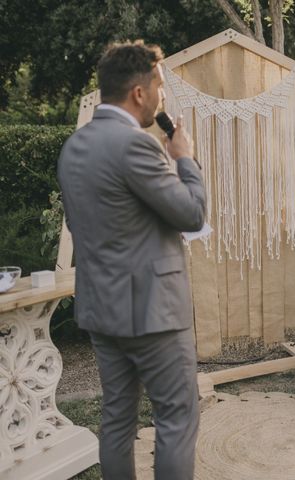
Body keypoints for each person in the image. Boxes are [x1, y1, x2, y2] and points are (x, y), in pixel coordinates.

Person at [57, 41, 206, 479]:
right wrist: (185, 159)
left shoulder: (74, 147)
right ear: (139, 93)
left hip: (102, 312)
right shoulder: (135, 147)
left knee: (118, 420)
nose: (161, 97)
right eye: (158, 86)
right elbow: (192, 214)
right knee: (176, 420)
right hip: (154, 314)